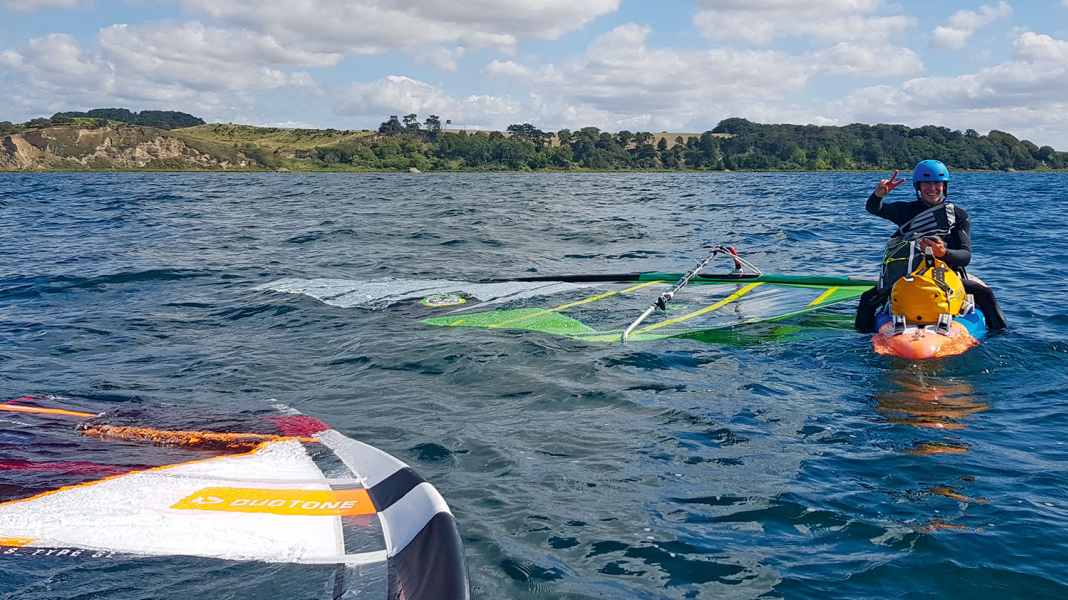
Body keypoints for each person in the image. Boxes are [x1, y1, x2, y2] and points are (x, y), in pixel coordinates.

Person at [854, 159, 1006, 332]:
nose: (932, 188)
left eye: (937, 183)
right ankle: (863, 340)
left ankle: (1001, 334)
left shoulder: (958, 215)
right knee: (867, 299)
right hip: (908, 277)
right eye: (926, 183)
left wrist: (944, 252)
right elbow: (874, 209)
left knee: (985, 293)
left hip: (945, 277)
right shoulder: (906, 210)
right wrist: (878, 194)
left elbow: (966, 256)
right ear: (918, 187)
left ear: (944, 186)